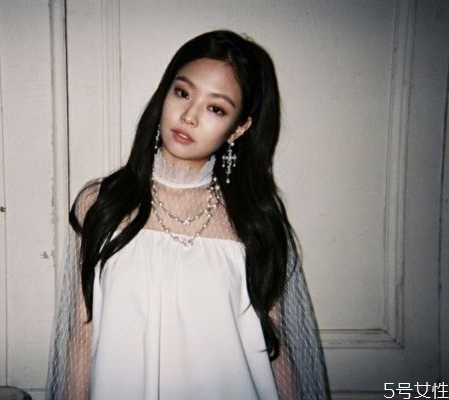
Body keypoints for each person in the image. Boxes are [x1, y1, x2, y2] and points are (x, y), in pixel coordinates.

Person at [46, 30, 329, 400]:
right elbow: (83, 333)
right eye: (182, 93)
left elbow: (273, 348)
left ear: (239, 127)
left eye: (216, 108)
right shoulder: (102, 203)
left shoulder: (254, 220)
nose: (189, 116)